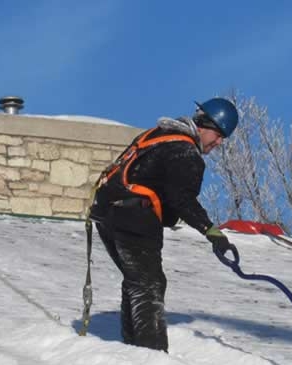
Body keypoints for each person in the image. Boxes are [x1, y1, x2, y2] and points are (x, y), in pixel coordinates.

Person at [88, 97, 239, 352]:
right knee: (149, 285)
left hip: (106, 215)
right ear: (204, 124)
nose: (219, 142)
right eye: (219, 134)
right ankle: (152, 353)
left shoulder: (159, 135)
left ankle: (133, 350)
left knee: (138, 281)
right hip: (134, 216)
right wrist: (211, 231)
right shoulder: (186, 152)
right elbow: (181, 199)